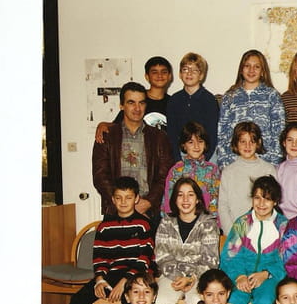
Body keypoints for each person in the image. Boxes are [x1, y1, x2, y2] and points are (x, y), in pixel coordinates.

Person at [69, 176, 155, 304]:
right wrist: (100, 279)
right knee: (78, 302)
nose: (123, 202)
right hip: (110, 275)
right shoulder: (105, 226)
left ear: (136, 199)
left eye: (128, 197)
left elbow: (144, 259)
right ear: (113, 200)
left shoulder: (144, 224)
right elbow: (100, 257)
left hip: (136, 274)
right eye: (119, 198)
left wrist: (125, 282)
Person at [92, 82, 173, 223]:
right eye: (131, 102)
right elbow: (100, 176)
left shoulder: (159, 137)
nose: (137, 108)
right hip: (115, 210)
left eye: (141, 103)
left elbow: (165, 176)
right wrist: (122, 204)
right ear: (121, 106)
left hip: (149, 212)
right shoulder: (107, 136)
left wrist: (148, 202)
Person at [220, 175, 288, 304]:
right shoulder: (242, 223)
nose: (261, 203)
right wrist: (239, 276)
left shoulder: (283, 226)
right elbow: (230, 255)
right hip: (241, 276)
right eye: (257, 198)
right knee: (234, 299)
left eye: (267, 199)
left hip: (269, 277)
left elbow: (287, 259)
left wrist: (266, 273)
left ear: (275, 201)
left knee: (264, 301)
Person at [155, 177, 220, 304]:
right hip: (172, 276)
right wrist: (179, 277)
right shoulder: (166, 223)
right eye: (180, 195)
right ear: (174, 199)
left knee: (198, 302)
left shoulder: (208, 224)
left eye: (190, 195)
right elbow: (162, 256)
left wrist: (190, 278)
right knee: (161, 302)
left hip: (200, 275)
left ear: (197, 199)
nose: (185, 199)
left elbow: (211, 260)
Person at [217, 50, 286, 167]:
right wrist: (224, 161)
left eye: (256, 67)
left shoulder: (272, 96)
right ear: (241, 69)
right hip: (234, 162)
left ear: (263, 71)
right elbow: (222, 132)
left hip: (264, 162)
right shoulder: (230, 96)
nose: (251, 70)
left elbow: (279, 131)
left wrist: (273, 162)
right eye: (247, 66)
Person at [94, 56, 173, 142]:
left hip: (164, 149)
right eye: (154, 72)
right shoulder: (137, 99)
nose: (160, 75)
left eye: (164, 72)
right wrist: (103, 124)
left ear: (169, 76)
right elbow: (117, 124)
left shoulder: (174, 102)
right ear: (147, 76)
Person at [217, 121, 277, 234]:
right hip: (235, 232)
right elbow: (223, 206)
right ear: (236, 143)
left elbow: (273, 203)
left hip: (262, 233)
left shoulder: (268, 170)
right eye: (243, 141)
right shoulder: (228, 172)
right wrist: (232, 234)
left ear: (258, 143)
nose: (247, 146)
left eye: (252, 142)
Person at [160, 120, 221, 219]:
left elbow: (216, 200)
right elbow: (168, 201)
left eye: (200, 141)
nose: (196, 146)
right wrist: (171, 220)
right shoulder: (176, 170)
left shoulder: (212, 170)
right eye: (191, 142)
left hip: (206, 222)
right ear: (184, 145)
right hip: (179, 222)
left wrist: (211, 221)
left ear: (205, 144)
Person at [166, 52, 219, 162]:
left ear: (201, 75)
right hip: (182, 153)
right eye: (185, 69)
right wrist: (178, 159)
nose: (189, 73)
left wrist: (205, 159)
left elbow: (213, 134)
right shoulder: (174, 100)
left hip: (205, 153)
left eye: (194, 70)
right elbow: (172, 133)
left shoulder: (209, 100)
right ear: (180, 74)